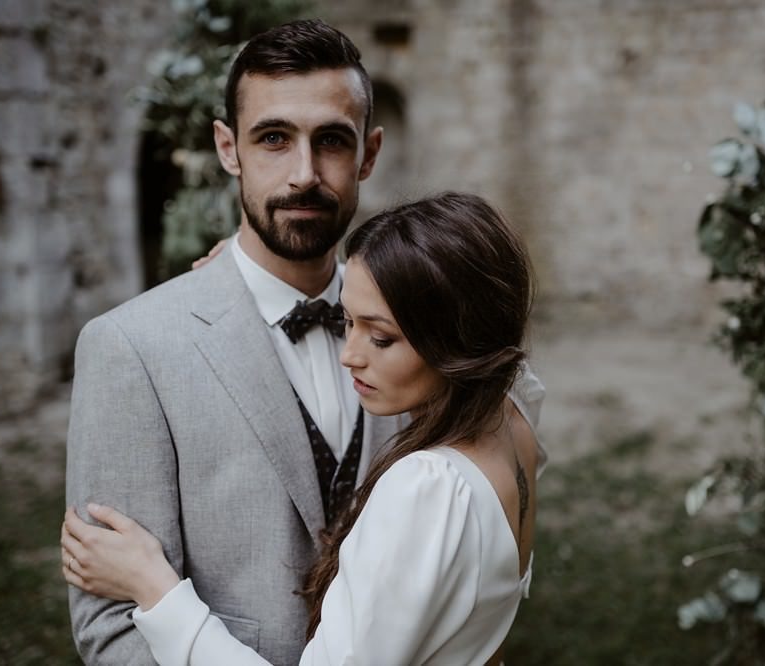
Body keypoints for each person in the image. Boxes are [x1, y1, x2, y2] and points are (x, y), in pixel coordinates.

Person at [65, 19, 544, 666]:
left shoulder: (426, 328)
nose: (304, 175)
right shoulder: (131, 347)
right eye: (272, 139)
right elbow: (113, 630)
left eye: (332, 142)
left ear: (369, 153)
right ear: (228, 149)